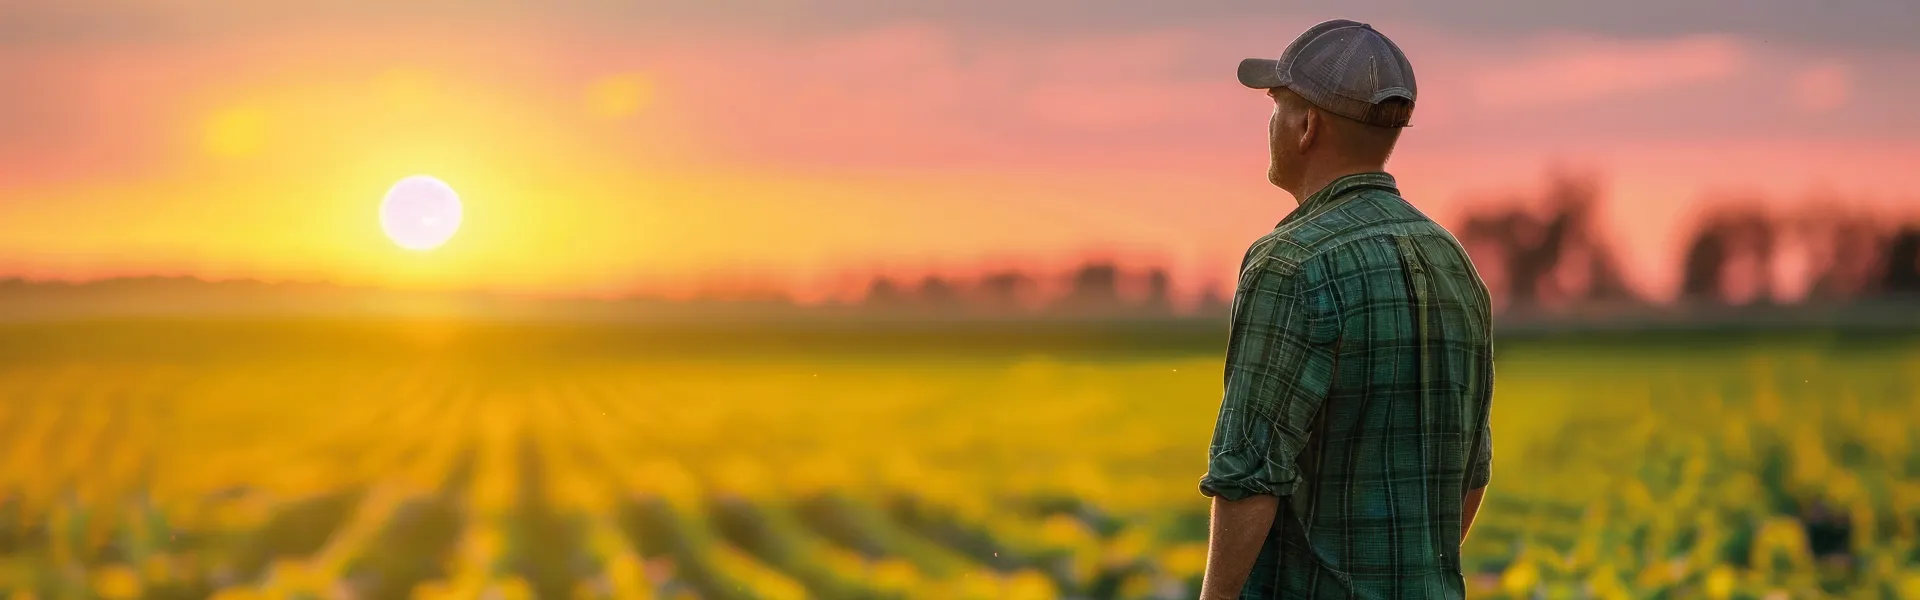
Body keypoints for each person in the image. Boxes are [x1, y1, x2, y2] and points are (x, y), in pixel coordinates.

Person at [1197, 19, 1496, 600]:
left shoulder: (1288, 262)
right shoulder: (1455, 262)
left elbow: (1248, 474)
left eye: (1276, 106)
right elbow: (1471, 470)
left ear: (1306, 126)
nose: (1271, 124)